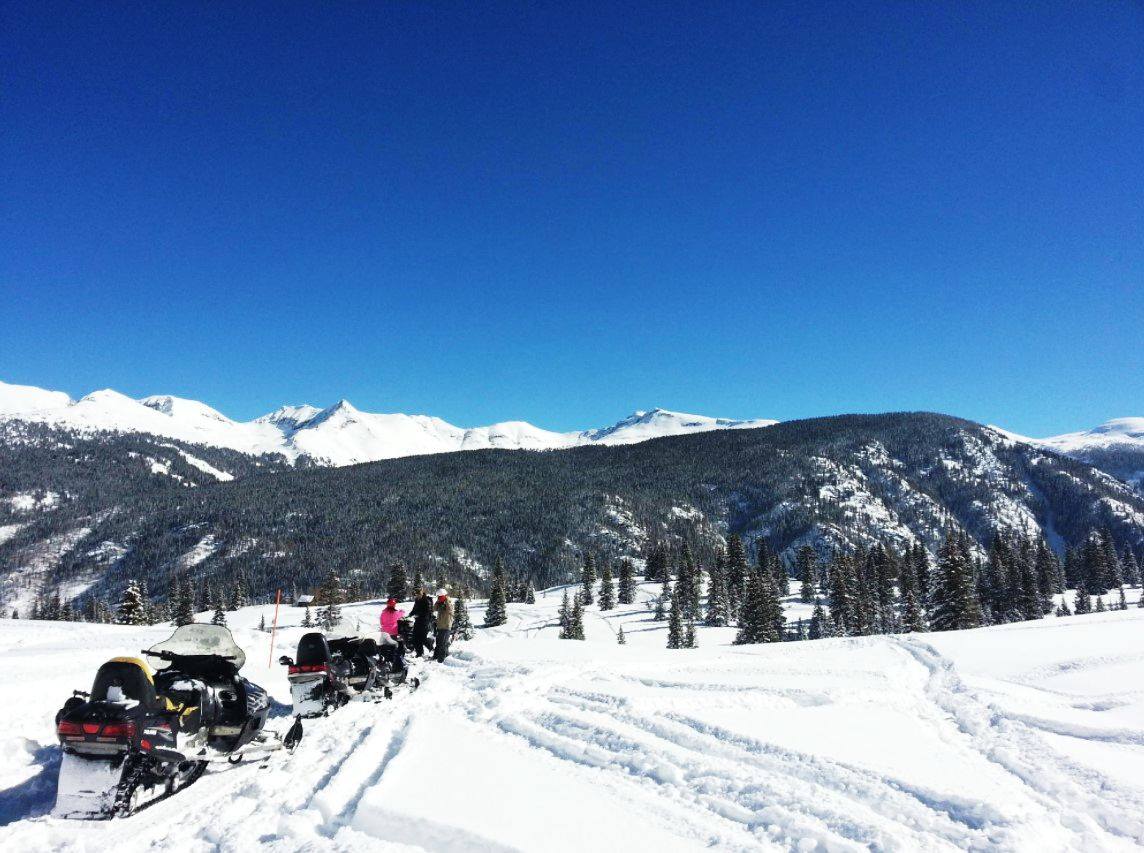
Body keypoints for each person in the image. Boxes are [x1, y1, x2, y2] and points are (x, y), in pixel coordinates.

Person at [408, 588, 433, 658]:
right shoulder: (417, 600)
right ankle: (419, 652)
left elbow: (427, 612)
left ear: (421, 593)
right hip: (418, 620)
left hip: (425, 621)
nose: (417, 596)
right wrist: (410, 614)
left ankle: (431, 648)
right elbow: (414, 609)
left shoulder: (426, 600)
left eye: (418, 594)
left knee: (422, 638)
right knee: (415, 637)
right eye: (416, 595)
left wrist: (419, 614)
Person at [433, 589, 453, 662]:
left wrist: (446, 600)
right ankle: (436, 656)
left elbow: (449, 610)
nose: (438, 598)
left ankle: (441, 660)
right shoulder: (440, 603)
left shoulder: (449, 603)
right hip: (440, 626)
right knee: (438, 642)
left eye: (440, 596)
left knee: (443, 644)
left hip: (446, 626)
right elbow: (434, 609)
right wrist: (438, 602)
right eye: (438, 597)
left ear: (444, 596)